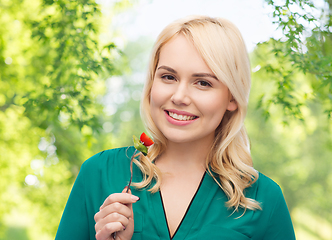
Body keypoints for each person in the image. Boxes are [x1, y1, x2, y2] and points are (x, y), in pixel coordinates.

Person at [55, 15, 296, 240]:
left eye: (202, 83)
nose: (179, 96)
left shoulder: (264, 199)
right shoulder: (99, 174)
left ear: (232, 98)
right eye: (168, 77)